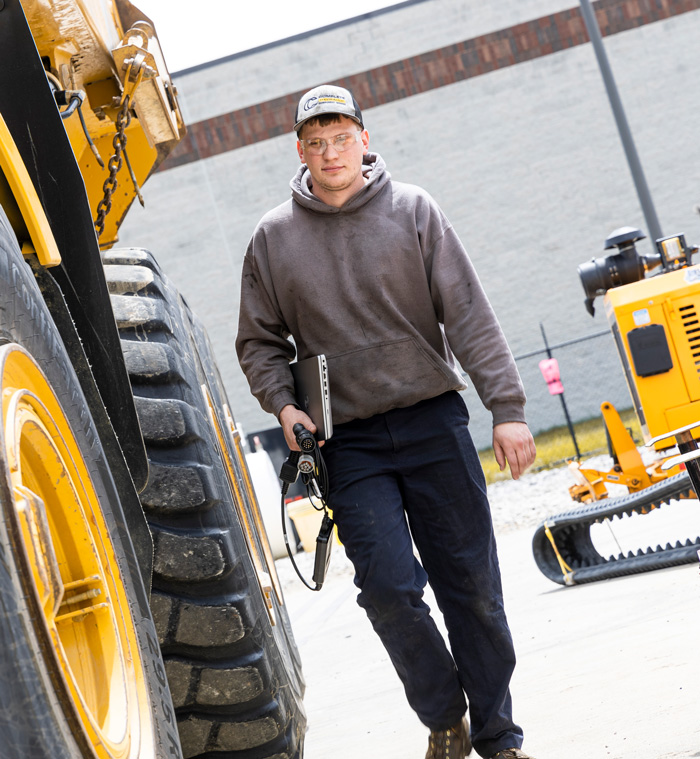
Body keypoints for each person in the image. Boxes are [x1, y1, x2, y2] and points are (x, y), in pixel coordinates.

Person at [236, 84, 538, 759]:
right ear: (300, 150)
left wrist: (508, 409)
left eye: (341, 137)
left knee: (474, 589)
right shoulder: (273, 237)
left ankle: (499, 737)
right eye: (316, 141)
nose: (330, 151)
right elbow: (259, 341)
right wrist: (283, 404)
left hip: (434, 422)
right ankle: (444, 714)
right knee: (389, 588)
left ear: (364, 139)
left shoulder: (413, 209)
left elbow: (467, 313)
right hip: (351, 443)